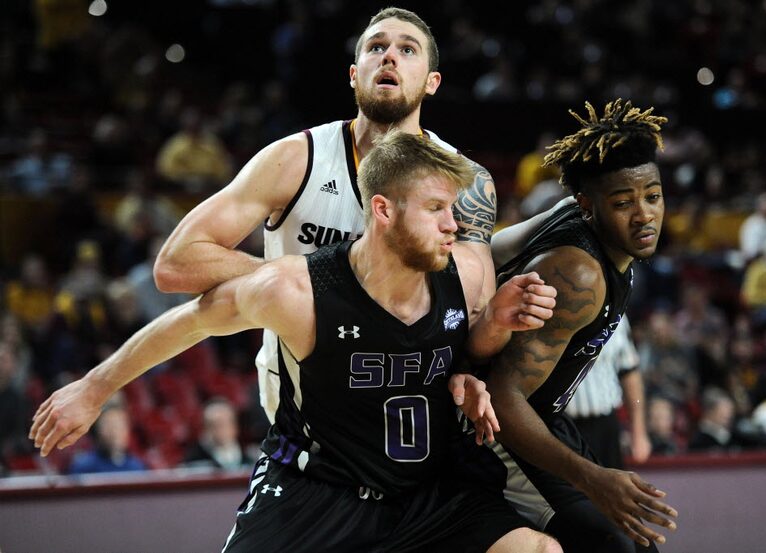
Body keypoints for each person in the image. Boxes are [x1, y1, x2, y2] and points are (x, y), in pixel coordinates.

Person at [31, 131, 560, 553]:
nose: (454, 225)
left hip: (425, 495)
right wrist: (95, 388)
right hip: (317, 491)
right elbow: (190, 321)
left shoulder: (465, 270)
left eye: (454, 210)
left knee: (537, 549)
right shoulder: (296, 289)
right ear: (383, 211)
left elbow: (463, 351)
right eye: (437, 209)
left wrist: (482, 346)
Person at [151, 7, 501, 428]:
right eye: (376, 47)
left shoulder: (465, 180)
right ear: (354, 73)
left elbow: (477, 308)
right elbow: (176, 264)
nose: (389, 56)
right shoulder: (295, 159)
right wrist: (296, 282)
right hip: (304, 409)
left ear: (432, 82)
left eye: (407, 49)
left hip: (414, 405)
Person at [458, 100, 678, 552]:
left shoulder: (585, 224)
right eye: (623, 203)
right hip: (494, 429)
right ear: (588, 206)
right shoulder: (578, 274)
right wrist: (590, 477)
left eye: (652, 196)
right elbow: (504, 394)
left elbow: (491, 250)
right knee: (613, 544)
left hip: (543, 417)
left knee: (635, 542)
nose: (643, 215)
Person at [565, 314, 651, 469]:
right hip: (562, 427)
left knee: (611, 490)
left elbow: (630, 372)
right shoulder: (551, 309)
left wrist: (639, 431)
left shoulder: (617, 312)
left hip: (606, 426)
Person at [66, 401, 147, 475]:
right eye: (109, 425)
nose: (114, 432)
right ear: (98, 430)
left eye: (119, 425)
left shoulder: (136, 466)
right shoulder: (84, 466)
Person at [181, 398, 256, 470]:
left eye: (224, 424)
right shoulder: (193, 461)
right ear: (205, 428)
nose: (220, 429)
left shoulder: (251, 457)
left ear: (235, 427)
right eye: (214, 424)